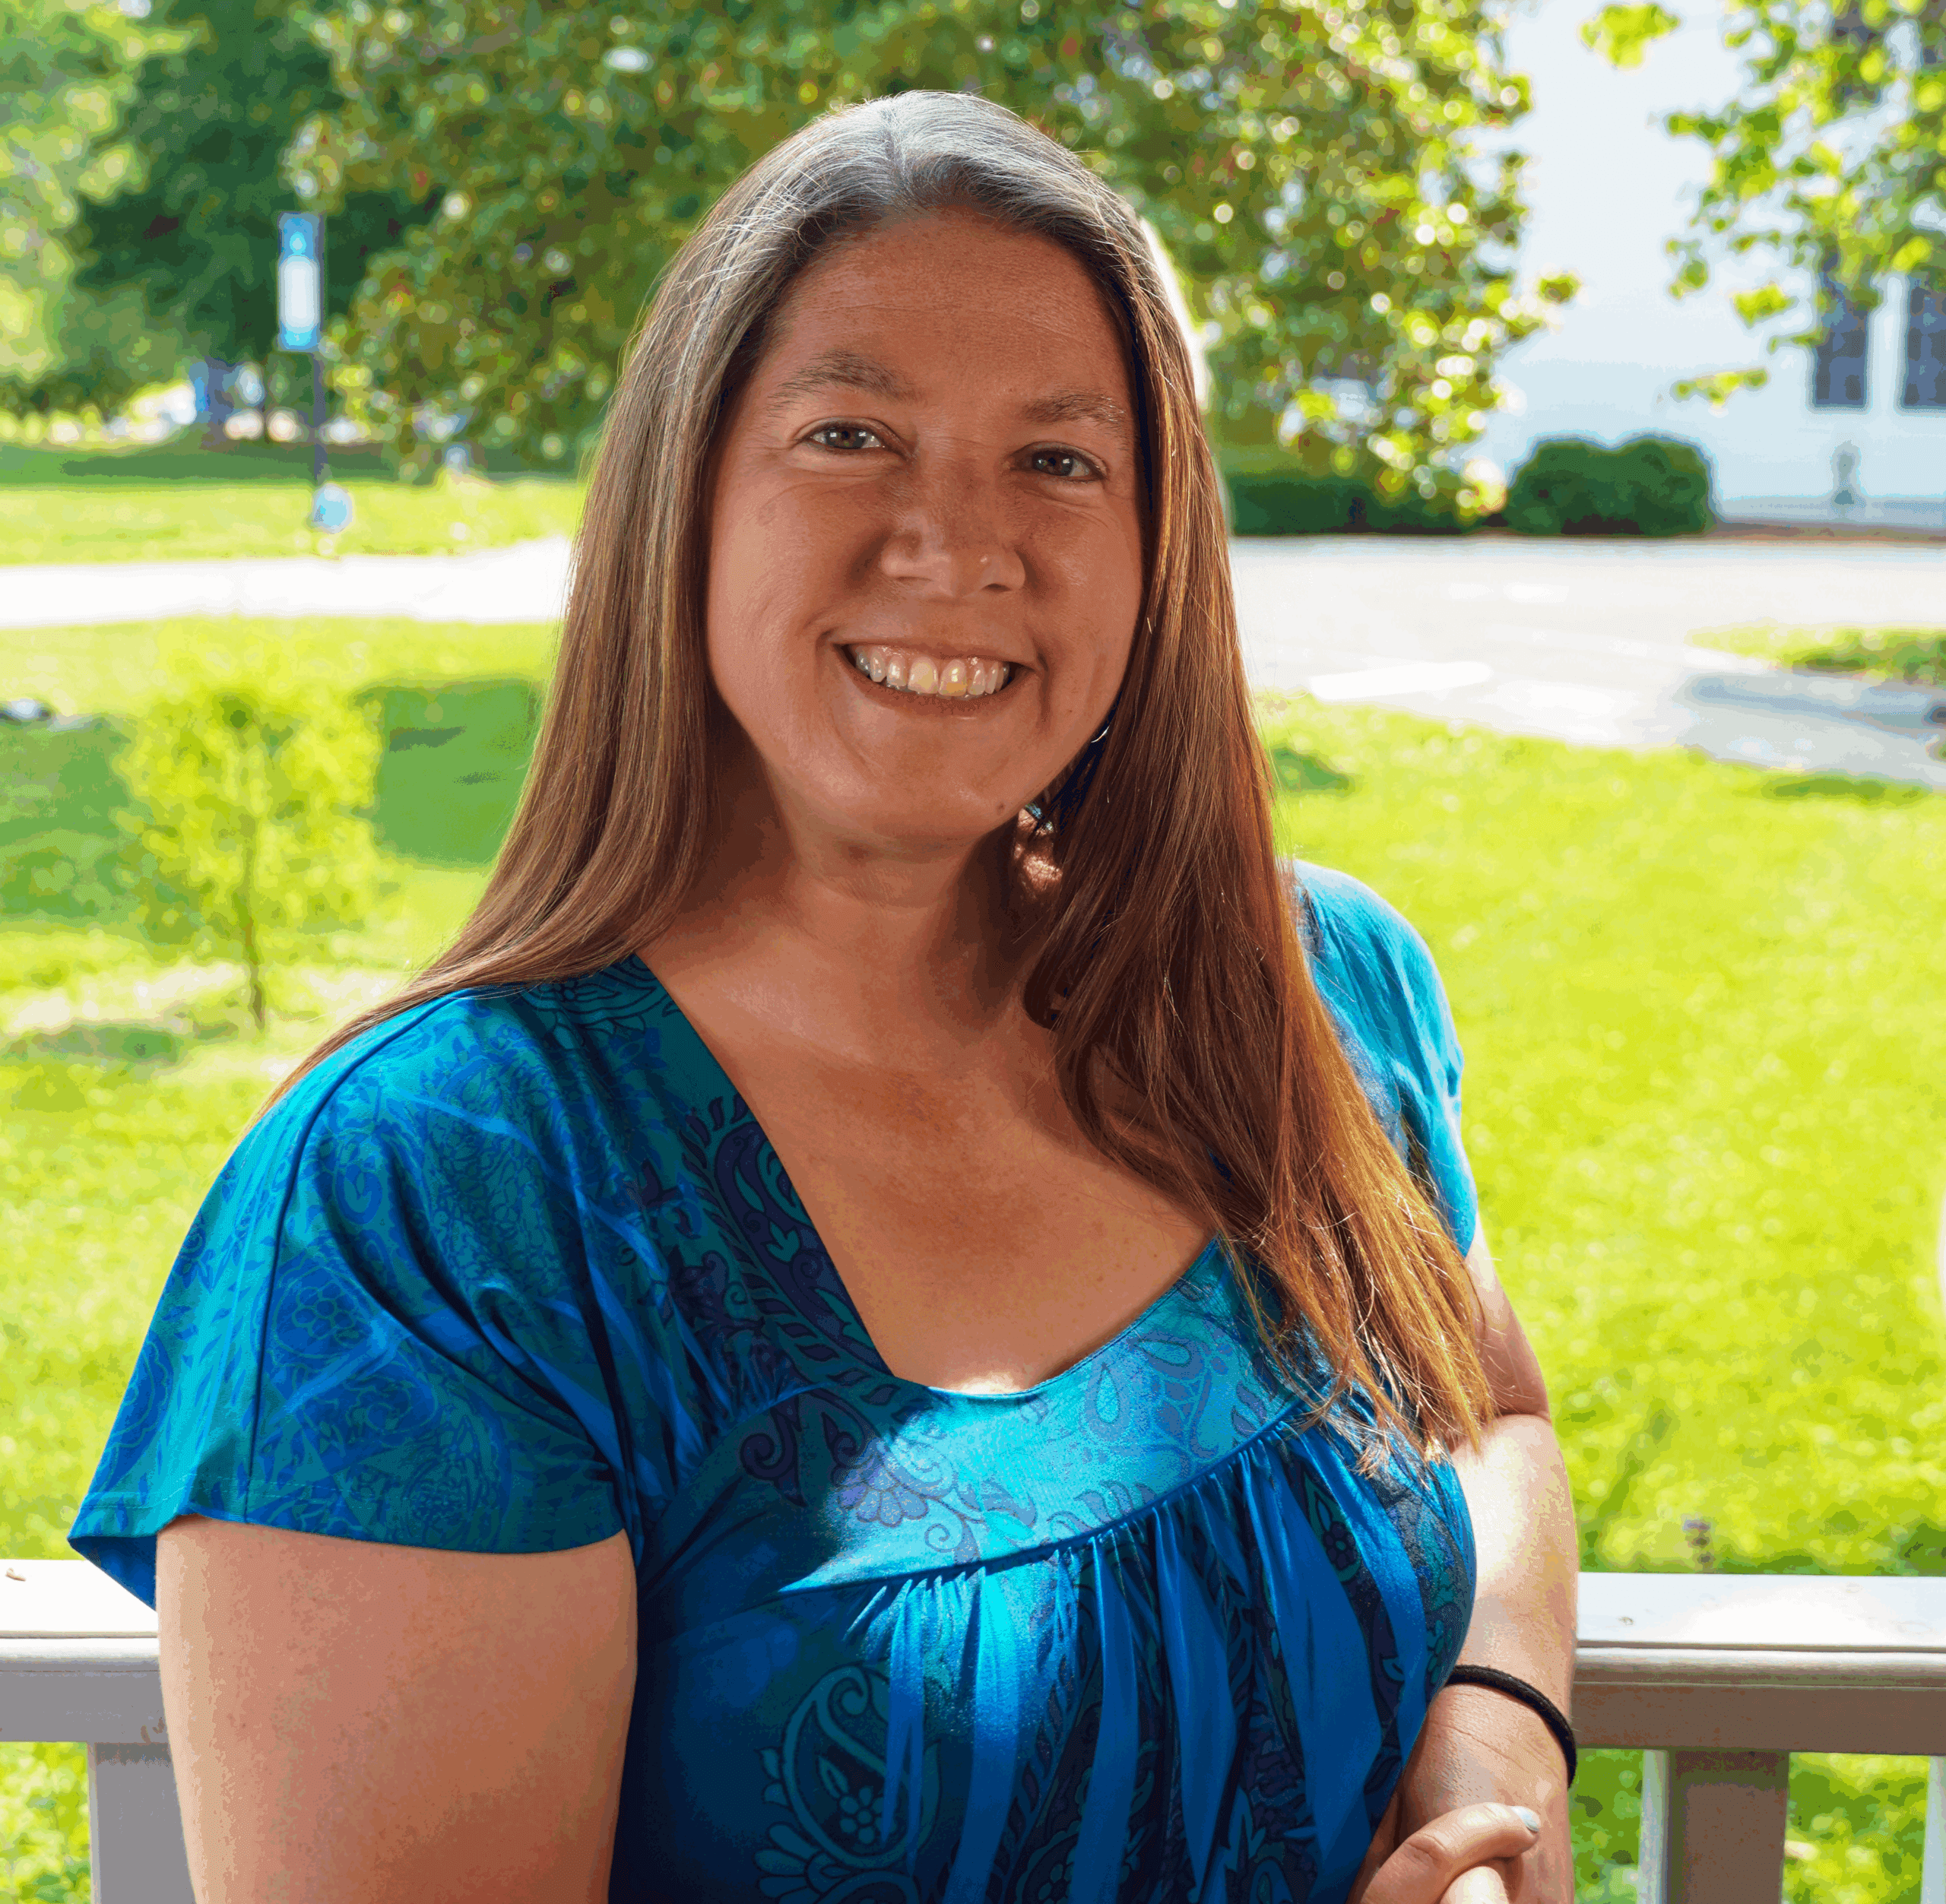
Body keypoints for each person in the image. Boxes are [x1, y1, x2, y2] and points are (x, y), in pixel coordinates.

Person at [70, 91, 1577, 1904]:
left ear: (1159, 544)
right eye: (849, 434)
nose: (954, 542)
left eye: (1058, 459)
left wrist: (1489, 1756)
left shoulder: (1305, 992)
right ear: (685, 499)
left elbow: (1487, 1420)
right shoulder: (436, 1202)